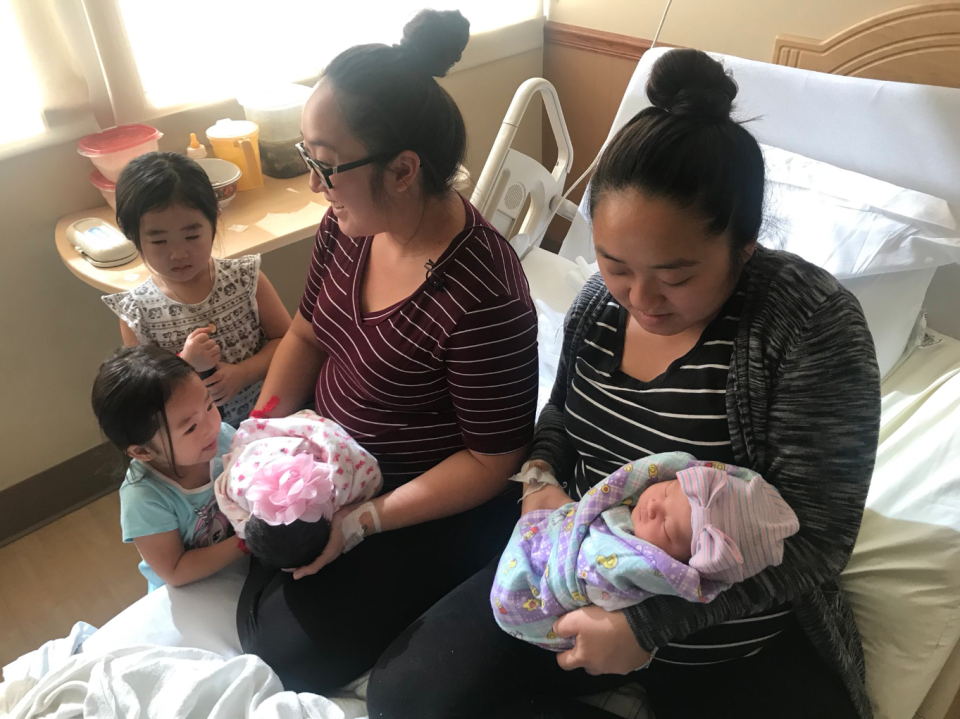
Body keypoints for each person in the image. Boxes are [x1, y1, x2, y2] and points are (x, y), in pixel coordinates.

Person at [366, 49, 881, 719]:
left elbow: (817, 538)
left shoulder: (808, 325)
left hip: (726, 636)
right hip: (584, 573)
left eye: (677, 276)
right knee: (406, 697)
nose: (642, 299)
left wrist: (646, 629)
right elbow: (560, 418)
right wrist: (541, 478)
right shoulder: (600, 305)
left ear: (744, 245)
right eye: (615, 265)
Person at [235, 9, 539, 694]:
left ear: (403, 170)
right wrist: (262, 437)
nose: (315, 183)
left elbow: (494, 459)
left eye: (326, 164)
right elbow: (309, 334)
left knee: (288, 649)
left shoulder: (483, 294)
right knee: (267, 575)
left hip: (417, 497)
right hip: (330, 461)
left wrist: (362, 522)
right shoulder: (346, 226)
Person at [492, 453, 799, 649]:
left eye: (667, 529)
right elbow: (556, 412)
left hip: (555, 605)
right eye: (667, 490)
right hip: (550, 511)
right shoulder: (647, 504)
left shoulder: (632, 563)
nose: (652, 506)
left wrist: (641, 628)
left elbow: (597, 581)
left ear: (677, 564)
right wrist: (539, 472)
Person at [102, 152, 291, 426]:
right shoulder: (136, 313)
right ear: (134, 237)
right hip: (201, 440)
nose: (178, 253)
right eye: (159, 241)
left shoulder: (245, 278)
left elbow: (287, 341)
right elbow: (147, 393)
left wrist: (243, 373)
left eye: (192, 236)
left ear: (214, 221)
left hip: (268, 416)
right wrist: (185, 365)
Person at [91, 345, 246, 592]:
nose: (212, 426)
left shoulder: (223, 438)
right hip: (188, 592)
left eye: (209, 406)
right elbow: (174, 570)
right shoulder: (145, 498)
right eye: (190, 428)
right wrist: (246, 542)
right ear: (142, 451)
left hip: (240, 566)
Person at [214, 410, 384, 570]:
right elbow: (227, 499)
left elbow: (369, 479)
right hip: (297, 440)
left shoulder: (342, 486)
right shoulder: (238, 488)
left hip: (280, 445)